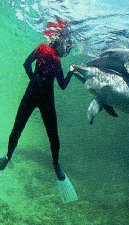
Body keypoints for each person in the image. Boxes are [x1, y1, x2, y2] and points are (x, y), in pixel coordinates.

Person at [0, 35, 74, 181]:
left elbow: (26, 64)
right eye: (65, 47)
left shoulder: (42, 48)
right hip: (47, 99)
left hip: (31, 93)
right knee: (53, 135)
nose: (65, 51)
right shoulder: (56, 61)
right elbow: (63, 85)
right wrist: (71, 71)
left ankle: (7, 157)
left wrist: (34, 80)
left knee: (17, 127)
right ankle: (55, 164)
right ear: (60, 43)